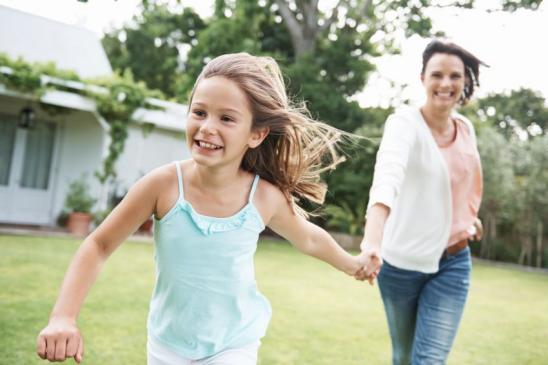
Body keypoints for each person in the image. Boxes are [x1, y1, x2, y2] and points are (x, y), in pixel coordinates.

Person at [36, 53, 367, 365]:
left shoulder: (263, 197)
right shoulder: (162, 186)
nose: (208, 126)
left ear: (257, 134)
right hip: (168, 346)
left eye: (226, 118)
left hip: (233, 343)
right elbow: (99, 245)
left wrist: (352, 264)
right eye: (199, 112)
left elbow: (309, 239)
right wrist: (63, 317)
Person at [357, 40, 486, 364]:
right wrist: (372, 240)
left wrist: (467, 217)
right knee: (404, 356)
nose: (446, 84)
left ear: (465, 81)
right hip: (401, 263)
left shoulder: (466, 128)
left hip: (455, 261)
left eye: (455, 76)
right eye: (437, 74)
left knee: (428, 360)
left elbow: (460, 181)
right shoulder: (404, 123)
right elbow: (386, 182)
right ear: (422, 78)